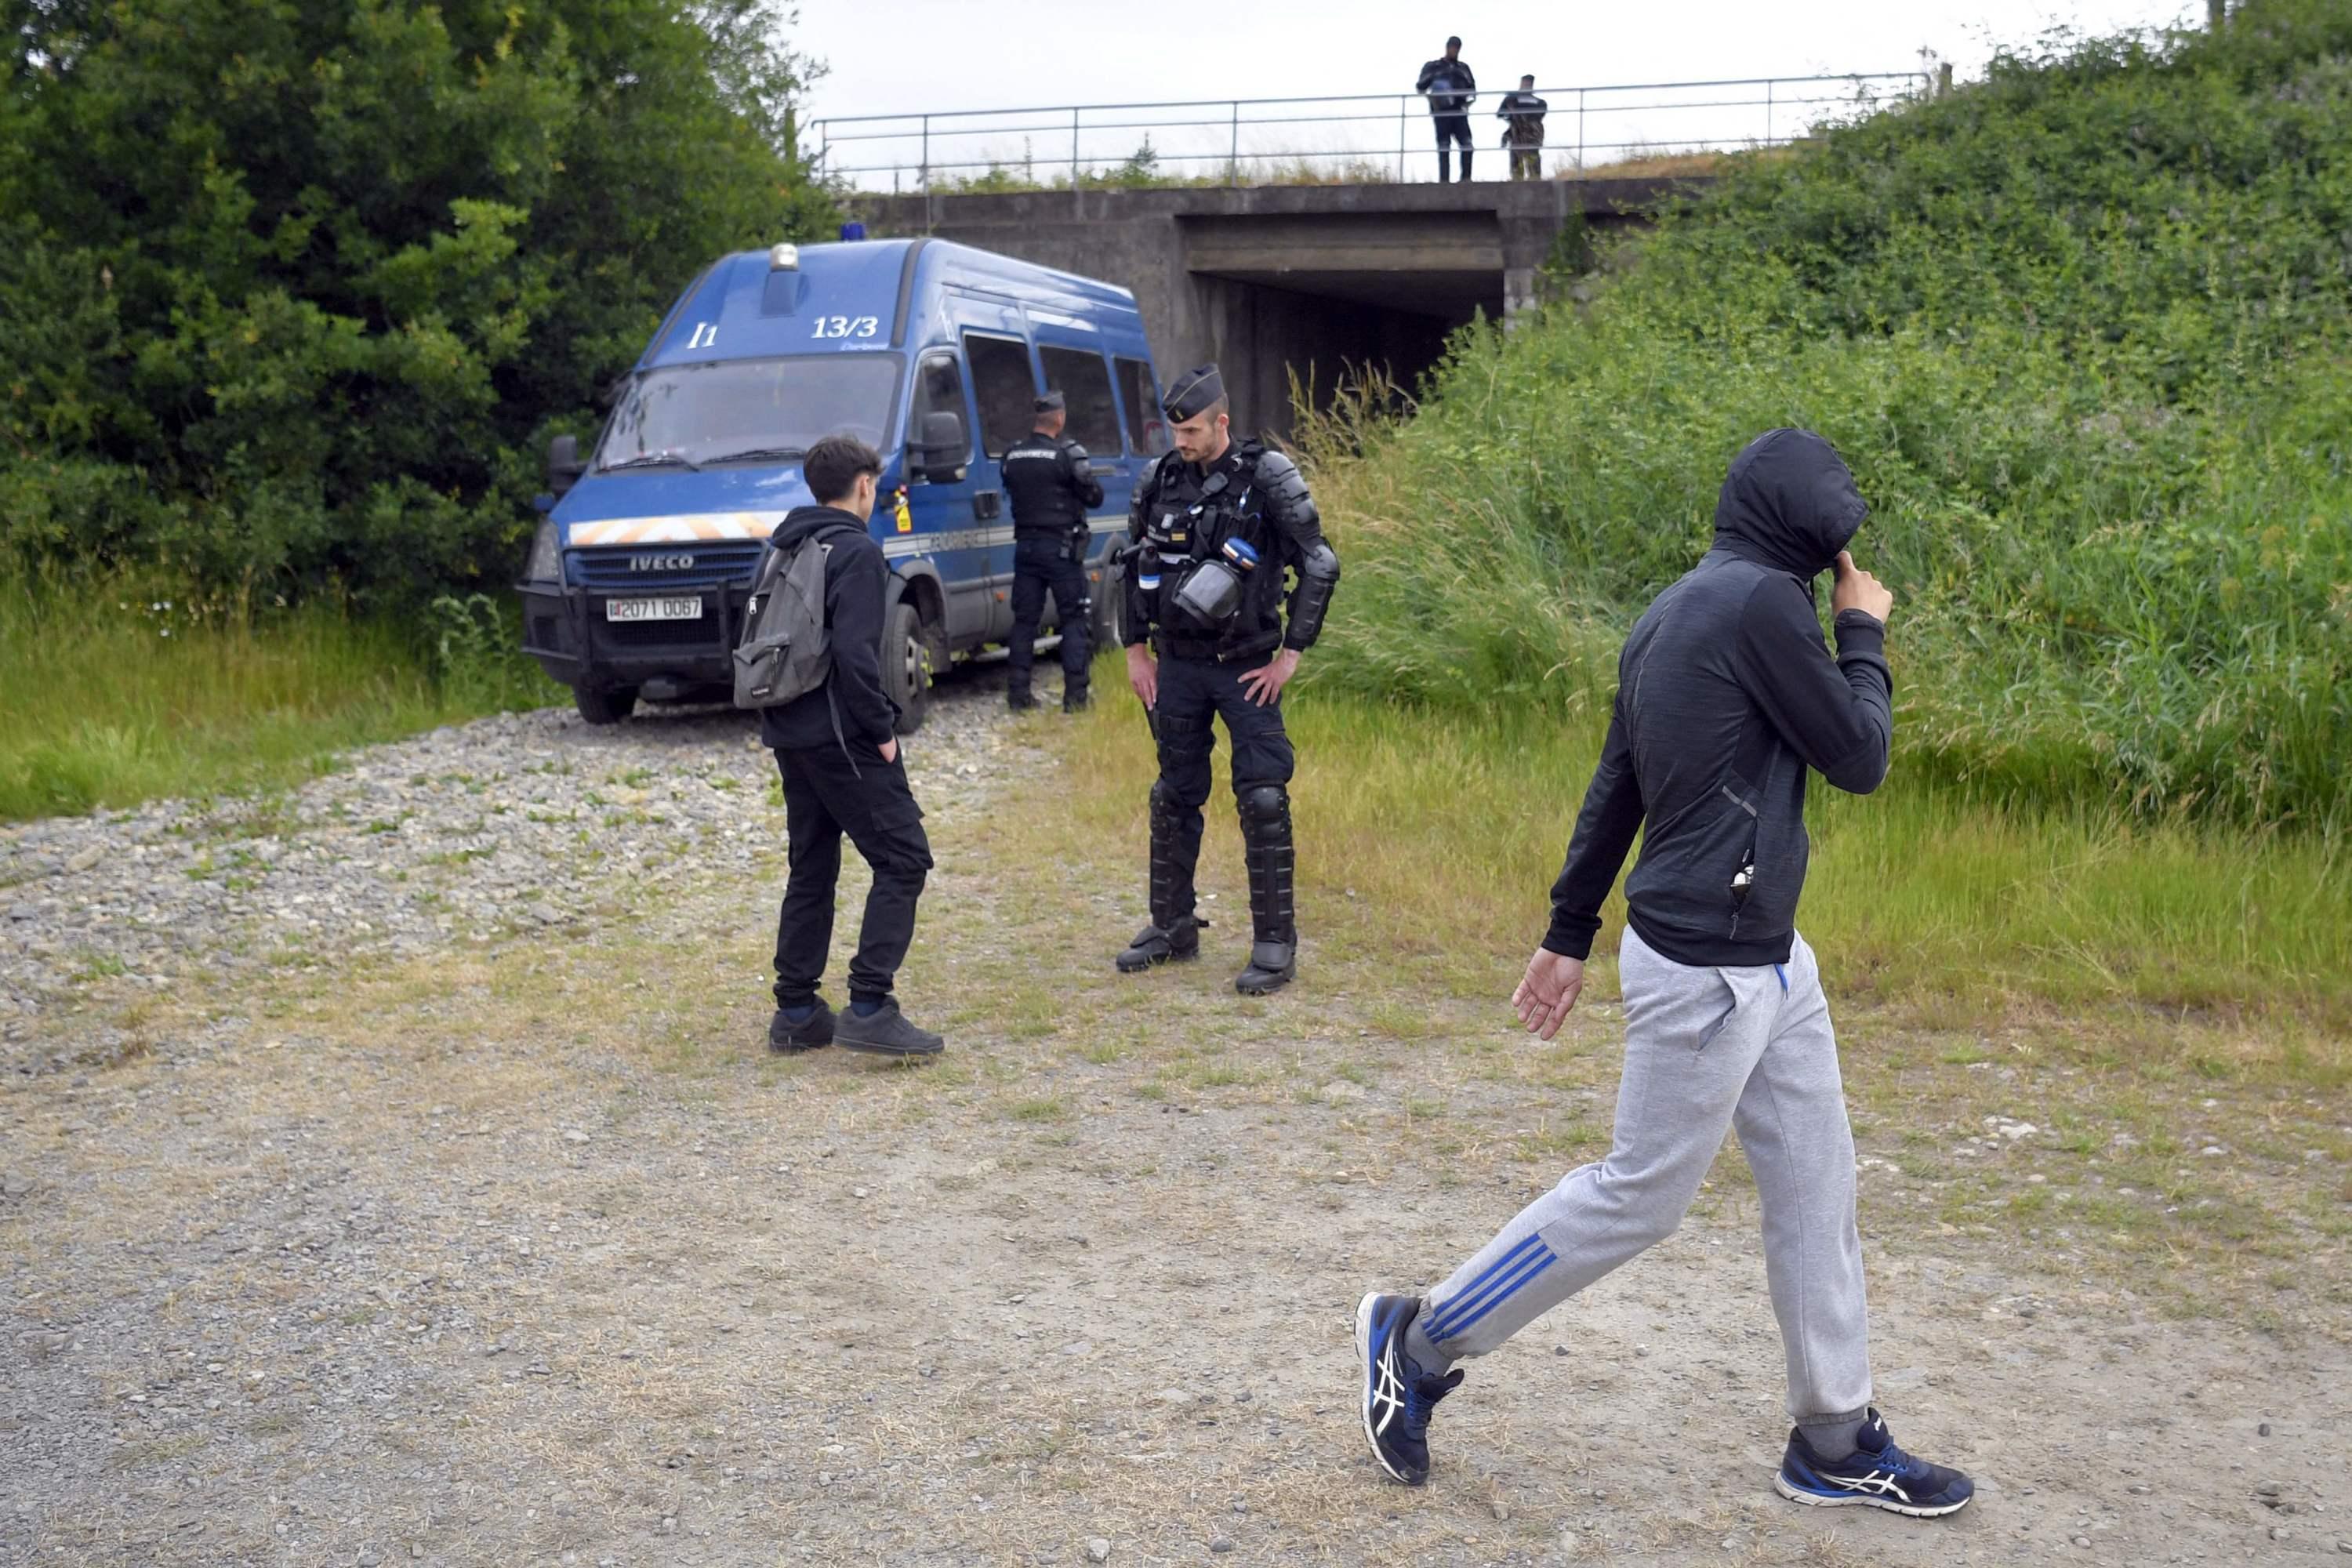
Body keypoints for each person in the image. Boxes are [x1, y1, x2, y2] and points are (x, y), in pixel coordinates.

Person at [1353, 430, 1975, 1519]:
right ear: (1810, 535)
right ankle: (1419, 1338)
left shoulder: (1675, 605)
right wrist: (1864, 629)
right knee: (1639, 1195)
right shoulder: (1763, 610)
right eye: (1842, 539)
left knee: (1818, 1188)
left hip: (1775, 960)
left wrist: (1567, 928)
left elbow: (1617, 781)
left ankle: (1834, 1438)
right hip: (1707, 966)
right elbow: (1861, 756)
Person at [1114, 363, 1340, 996]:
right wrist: (1136, 651)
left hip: (1247, 666)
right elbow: (1130, 566)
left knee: (1263, 799)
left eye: (1190, 430)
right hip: (1178, 665)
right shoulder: (1159, 478)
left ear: (1222, 422)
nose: (1180, 441)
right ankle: (1172, 927)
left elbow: (1319, 562)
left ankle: (1274, 944)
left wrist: (1291, 655)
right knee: (1173, 795)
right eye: (1174, 430)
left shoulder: (1265, 476)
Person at [761, 434, 944, 1060]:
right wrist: (883, 731)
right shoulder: (857, 552)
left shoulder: (786, 545)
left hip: (791, 729)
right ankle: (868, 1005)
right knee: (904, 858)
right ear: (864, 486)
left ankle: (795, 1011)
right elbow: (857, 658)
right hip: (843, 734)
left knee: (812, 862)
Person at [1000, 390, 1106, 713]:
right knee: (1074, 619)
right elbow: (1093, 496)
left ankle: (1018, 697)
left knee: (1024, 622)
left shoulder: (1012, 455)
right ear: (1059, 418)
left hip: (1026, 549)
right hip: (1061, 550)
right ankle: (1075, 699)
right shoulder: (1067, 454)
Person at [1415, 36, 1478, 183]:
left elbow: (1473, 90)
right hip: (1441, 111)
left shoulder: (1463, 69)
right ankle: (1444, 181)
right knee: (1444, 146)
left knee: (1467, 144)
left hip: (1459, 111)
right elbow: (1420, 87)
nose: (1454, 50)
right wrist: (1438, 86)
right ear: (1447, 47)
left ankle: (1466, 179)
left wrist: (1463, 97)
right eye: (1452, 47)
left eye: (1457, 47)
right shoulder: (1433, 66)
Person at [1497, 74, 1548, 180]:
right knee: (1516, 161)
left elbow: (1538, 117)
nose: (1526, 86)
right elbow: (1500, 114)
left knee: (1533, 159)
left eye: (1528, 84)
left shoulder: (1539, 102)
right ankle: (1518, 179)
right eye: (1525, 83)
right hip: (1517, 133)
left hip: (1532, 133)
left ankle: (1534, 179)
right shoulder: (1511, 99)